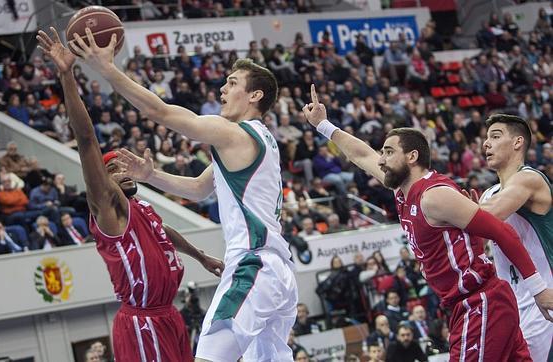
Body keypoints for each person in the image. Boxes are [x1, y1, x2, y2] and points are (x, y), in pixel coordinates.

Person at [73, 28, 297, 361]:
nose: (223, 87)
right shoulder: (261, 140)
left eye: (233, 82)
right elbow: (198, 188)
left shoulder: (235, 134)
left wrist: (106, 69)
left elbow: (161, 113)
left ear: (255, 96)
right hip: (278, 274)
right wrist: (150, 175)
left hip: (253, 264)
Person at [303, 85, 553, 361]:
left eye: (388, 152)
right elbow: (362, 156)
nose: (382, 160)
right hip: (470, 303)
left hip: (480, 301)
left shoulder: (434, 196)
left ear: (412, 157)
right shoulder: (402, 190)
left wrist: (538, 290)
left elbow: (503, 232)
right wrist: (323, 125)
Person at [37, 28, 224, 362]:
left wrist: (200, 256)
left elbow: (163, 233)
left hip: (168, 314)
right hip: (142, 321)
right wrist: (67, 75)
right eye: (115, 168)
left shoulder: (141, 208)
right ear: (104, 180)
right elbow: (86, 140)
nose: (124, 170)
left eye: (126, 164)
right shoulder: (108, 207)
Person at [472, 114, 553, 361]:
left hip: (545, 300)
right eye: (486, 138)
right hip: (512, 303)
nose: (486, 143)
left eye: (495, 136)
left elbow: (489, 215)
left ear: (518, 142)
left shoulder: (530, 178)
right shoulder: (488, 194)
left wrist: (445, 206)